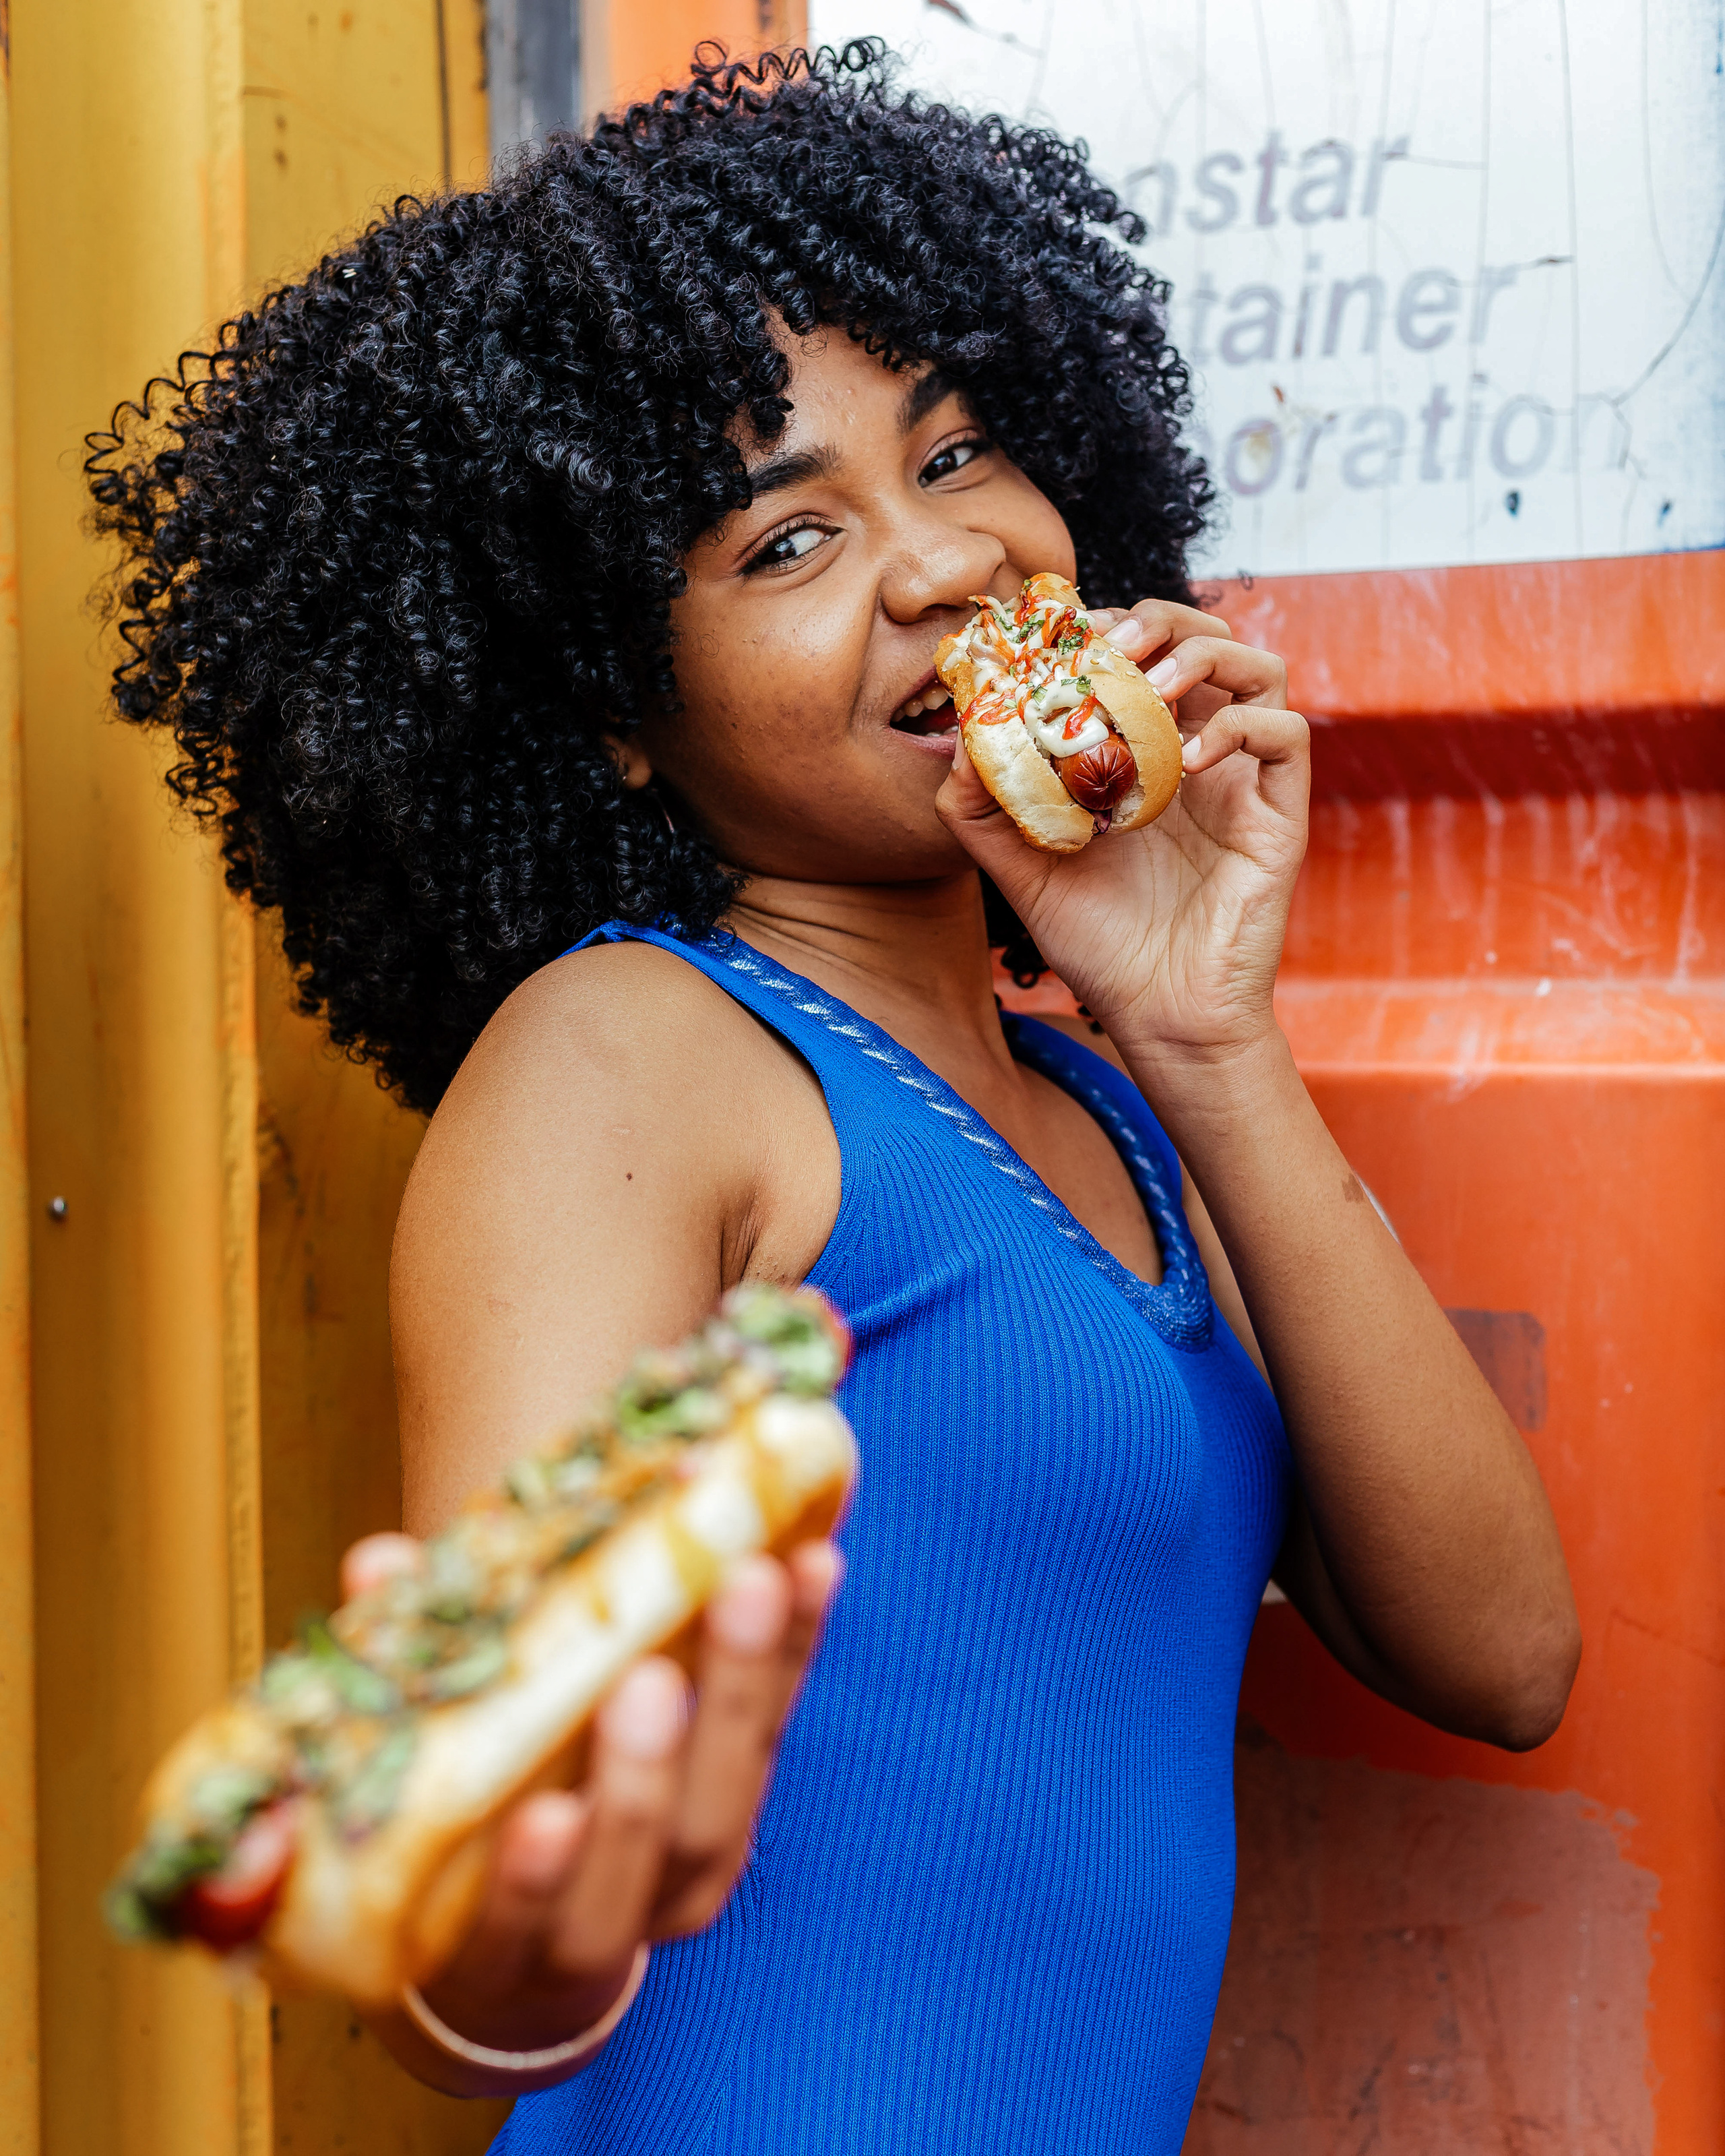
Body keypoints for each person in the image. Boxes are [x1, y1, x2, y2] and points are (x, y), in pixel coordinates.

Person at [88, 42, 1579, 2153]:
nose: (947, 565)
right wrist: (514, 1931)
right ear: (611, 713)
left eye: (960, 451)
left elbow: (1503, 1656)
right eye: (787, 540)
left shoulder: (1117, 1103)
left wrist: (1209, 1036)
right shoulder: (627, 1056)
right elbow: (460, 1885)